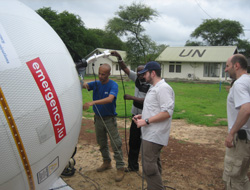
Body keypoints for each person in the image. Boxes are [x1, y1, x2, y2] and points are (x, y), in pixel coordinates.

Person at [133, 61, 175, 190]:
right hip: (149, 134)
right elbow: (156, 109)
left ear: (153, 73)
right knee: (153, 163)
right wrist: (143, 116)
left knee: (149, 167)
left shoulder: (163, 88)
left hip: (154, 135)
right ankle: (155, 186)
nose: (143, 76)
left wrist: (146, 121)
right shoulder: (154, 87)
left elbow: (167, 112)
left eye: (145, 73)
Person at [82, 63, 125, 182]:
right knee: (102, 143)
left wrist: (92, 103)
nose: (100, 76)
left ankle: (120, 167)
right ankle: (107, 162)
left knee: (116, 143)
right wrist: (79, 78)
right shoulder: (96, 83)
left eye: (103, 74)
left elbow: (110, 99)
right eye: (99, 73)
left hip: (109, 119)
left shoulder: (113, 85)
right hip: (98, 119)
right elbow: (84, 85)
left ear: (109, 74)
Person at [111, 51, 150, 172]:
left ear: (146, 73)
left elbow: (146, 100)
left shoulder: (152, 85)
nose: (139, 74)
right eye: (138, 72)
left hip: (147, 118)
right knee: (133, 142)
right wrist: (119, 57)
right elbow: (125, 68)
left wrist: (132, 97)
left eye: (142, 72)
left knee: (147, 144)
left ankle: (149, 169)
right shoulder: (136, 78)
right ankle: (133, 166)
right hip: (135, 117)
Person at [223, 54, 250, 190]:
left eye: (227, 66)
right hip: (246, 139)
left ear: (236, 65)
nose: (226, 70)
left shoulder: (239, 84)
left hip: (240, 139)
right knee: (241, 176)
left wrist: (231, 133)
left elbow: (246, 109)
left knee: (234, 179)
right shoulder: (248, 81)